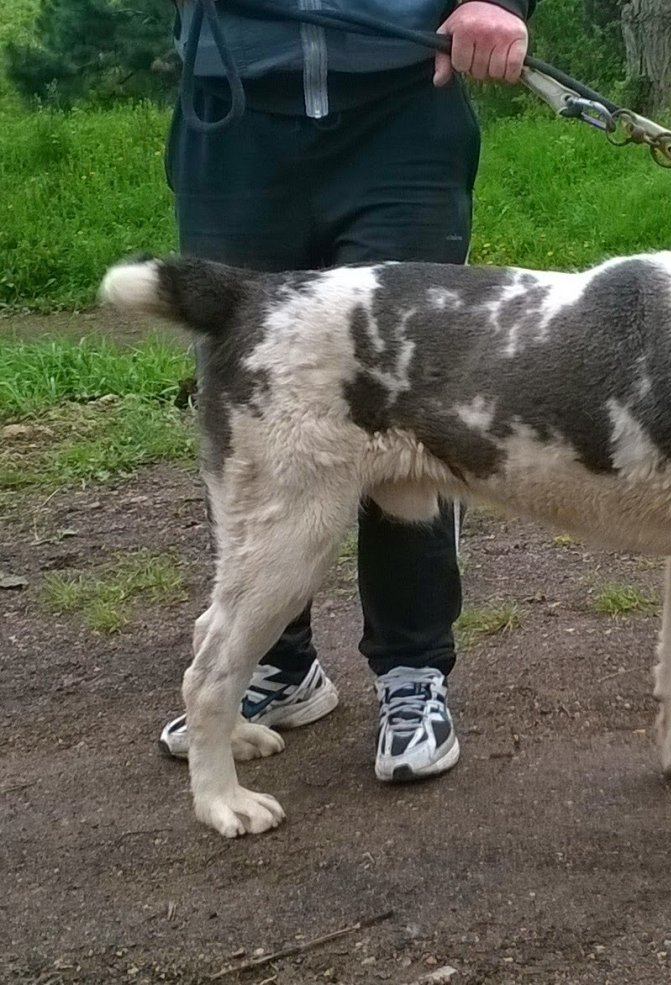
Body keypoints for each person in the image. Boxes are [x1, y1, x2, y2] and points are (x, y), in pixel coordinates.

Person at [157, 0, 534, 782]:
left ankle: (411, 673)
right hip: (232, 107)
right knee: (260, 405)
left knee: (418, 401)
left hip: (402, 109)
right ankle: (278, 665)